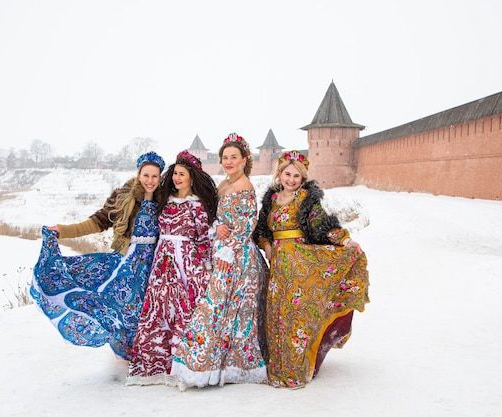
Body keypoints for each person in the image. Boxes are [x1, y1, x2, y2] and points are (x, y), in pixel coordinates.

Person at [30, 151, 165, 362]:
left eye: (154, 176)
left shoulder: (164, 200)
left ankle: (147, 350)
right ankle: (130, 353)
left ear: (160, 177)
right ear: (139, 175)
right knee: (118, 304)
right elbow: (97, 222)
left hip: (153, 264)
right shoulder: (123, 196)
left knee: (144, 308)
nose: (150, 181)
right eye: (146, 175)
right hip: (125, 260)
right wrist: (63, 231)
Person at [253, 150, 370, 388]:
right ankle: (276, 370)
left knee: (294, 316)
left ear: (302, 178)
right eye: (288, 174)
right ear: (280, 173)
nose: (291, 179)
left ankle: (294, 371)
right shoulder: (271, 200)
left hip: (300, 262)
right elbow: (262, 231)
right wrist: (266, 246)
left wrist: (345, 241)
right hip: (278, 266)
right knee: (276, 315)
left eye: (297, 176)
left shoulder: (307, 200)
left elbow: (322, 225)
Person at [171, 133, 269, 390]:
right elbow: (218, 216)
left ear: (244, 159)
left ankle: (226, 367)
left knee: (221, 311)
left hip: (238, 259)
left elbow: (247, 225)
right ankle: (210, 366)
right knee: (219, 311)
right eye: (225, 157)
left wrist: (228, 251)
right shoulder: (224, 184)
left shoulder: (245, 186)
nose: (228, 161)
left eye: (233, 157)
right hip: (224, 252)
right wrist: (216, 227)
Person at [126, 150, 218, 386]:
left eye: (182, 174)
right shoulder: (165, 200)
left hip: (186, 263)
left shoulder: (197, 205)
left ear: (191, 177)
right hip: (162, 263)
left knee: (183, 311)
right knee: (158, 309)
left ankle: (183, 365)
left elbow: (203, 238)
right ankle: (154, 363)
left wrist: (205, 265)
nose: (177, 178)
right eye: (175, 173)